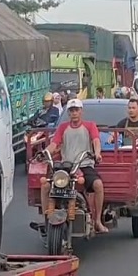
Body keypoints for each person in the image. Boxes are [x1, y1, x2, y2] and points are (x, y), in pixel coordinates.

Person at [42, 99, 110, 234]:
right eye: (71, 110)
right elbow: (54, 144)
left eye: (76, 110)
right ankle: (46, 222)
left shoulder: (90, 126)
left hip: (84, 164)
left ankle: (97, 221)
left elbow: (96, 141)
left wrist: (97, 153)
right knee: (45, 186)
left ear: (81, 111)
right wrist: (45, 153)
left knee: (98, 185)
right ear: (68, 113)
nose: (74, 113)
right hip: (66, 167)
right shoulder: (63, 127)